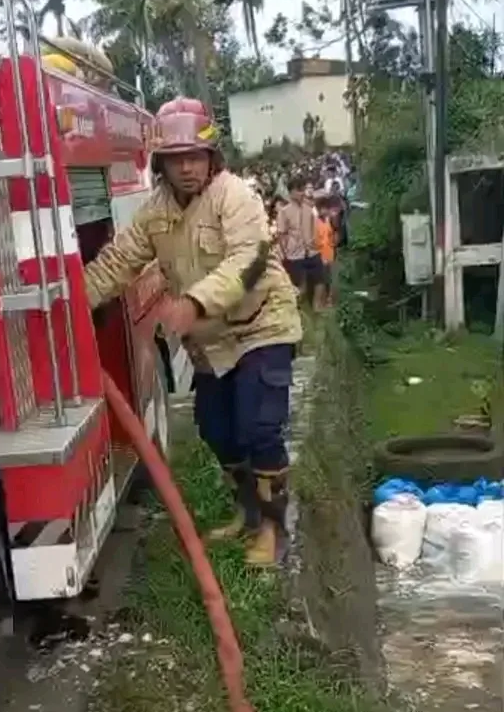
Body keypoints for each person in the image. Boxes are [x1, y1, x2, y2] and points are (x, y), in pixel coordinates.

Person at [84, 97, 302, 566]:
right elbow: (119, 262)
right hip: (212, 342)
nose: (186, 167)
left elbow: (248, 261)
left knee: (259, 426)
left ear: (211, 158)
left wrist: (194, 302)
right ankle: (247, 512)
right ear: (160, 164)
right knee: (218, 430)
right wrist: (74, 300)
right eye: (175, 159)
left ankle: (274, 529)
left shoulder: (235, 196)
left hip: (261, 325)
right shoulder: (157, 210)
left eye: (194, 157)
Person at [277, 175, 324, 308]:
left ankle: (317, 310)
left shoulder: (309, 207)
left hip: (313, 250)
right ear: (291, 192)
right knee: (300, 287)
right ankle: (299, 314)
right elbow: (281, 234)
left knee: (319, 280)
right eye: (299, 190)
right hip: (295, 254)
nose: (302, 193)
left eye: (303, 189)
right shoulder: (284, 212)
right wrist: (285, 253)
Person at [314, 193, 336, 306]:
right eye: (322, 209)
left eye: (326, 209)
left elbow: (332, 235)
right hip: (320, 254)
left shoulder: (328, 221)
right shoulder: (315, 222)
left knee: (330, 278)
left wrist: (333, 243)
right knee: (321, 279)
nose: (324, 211)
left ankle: (330, 299)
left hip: (329, 252)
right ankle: (321, 301)